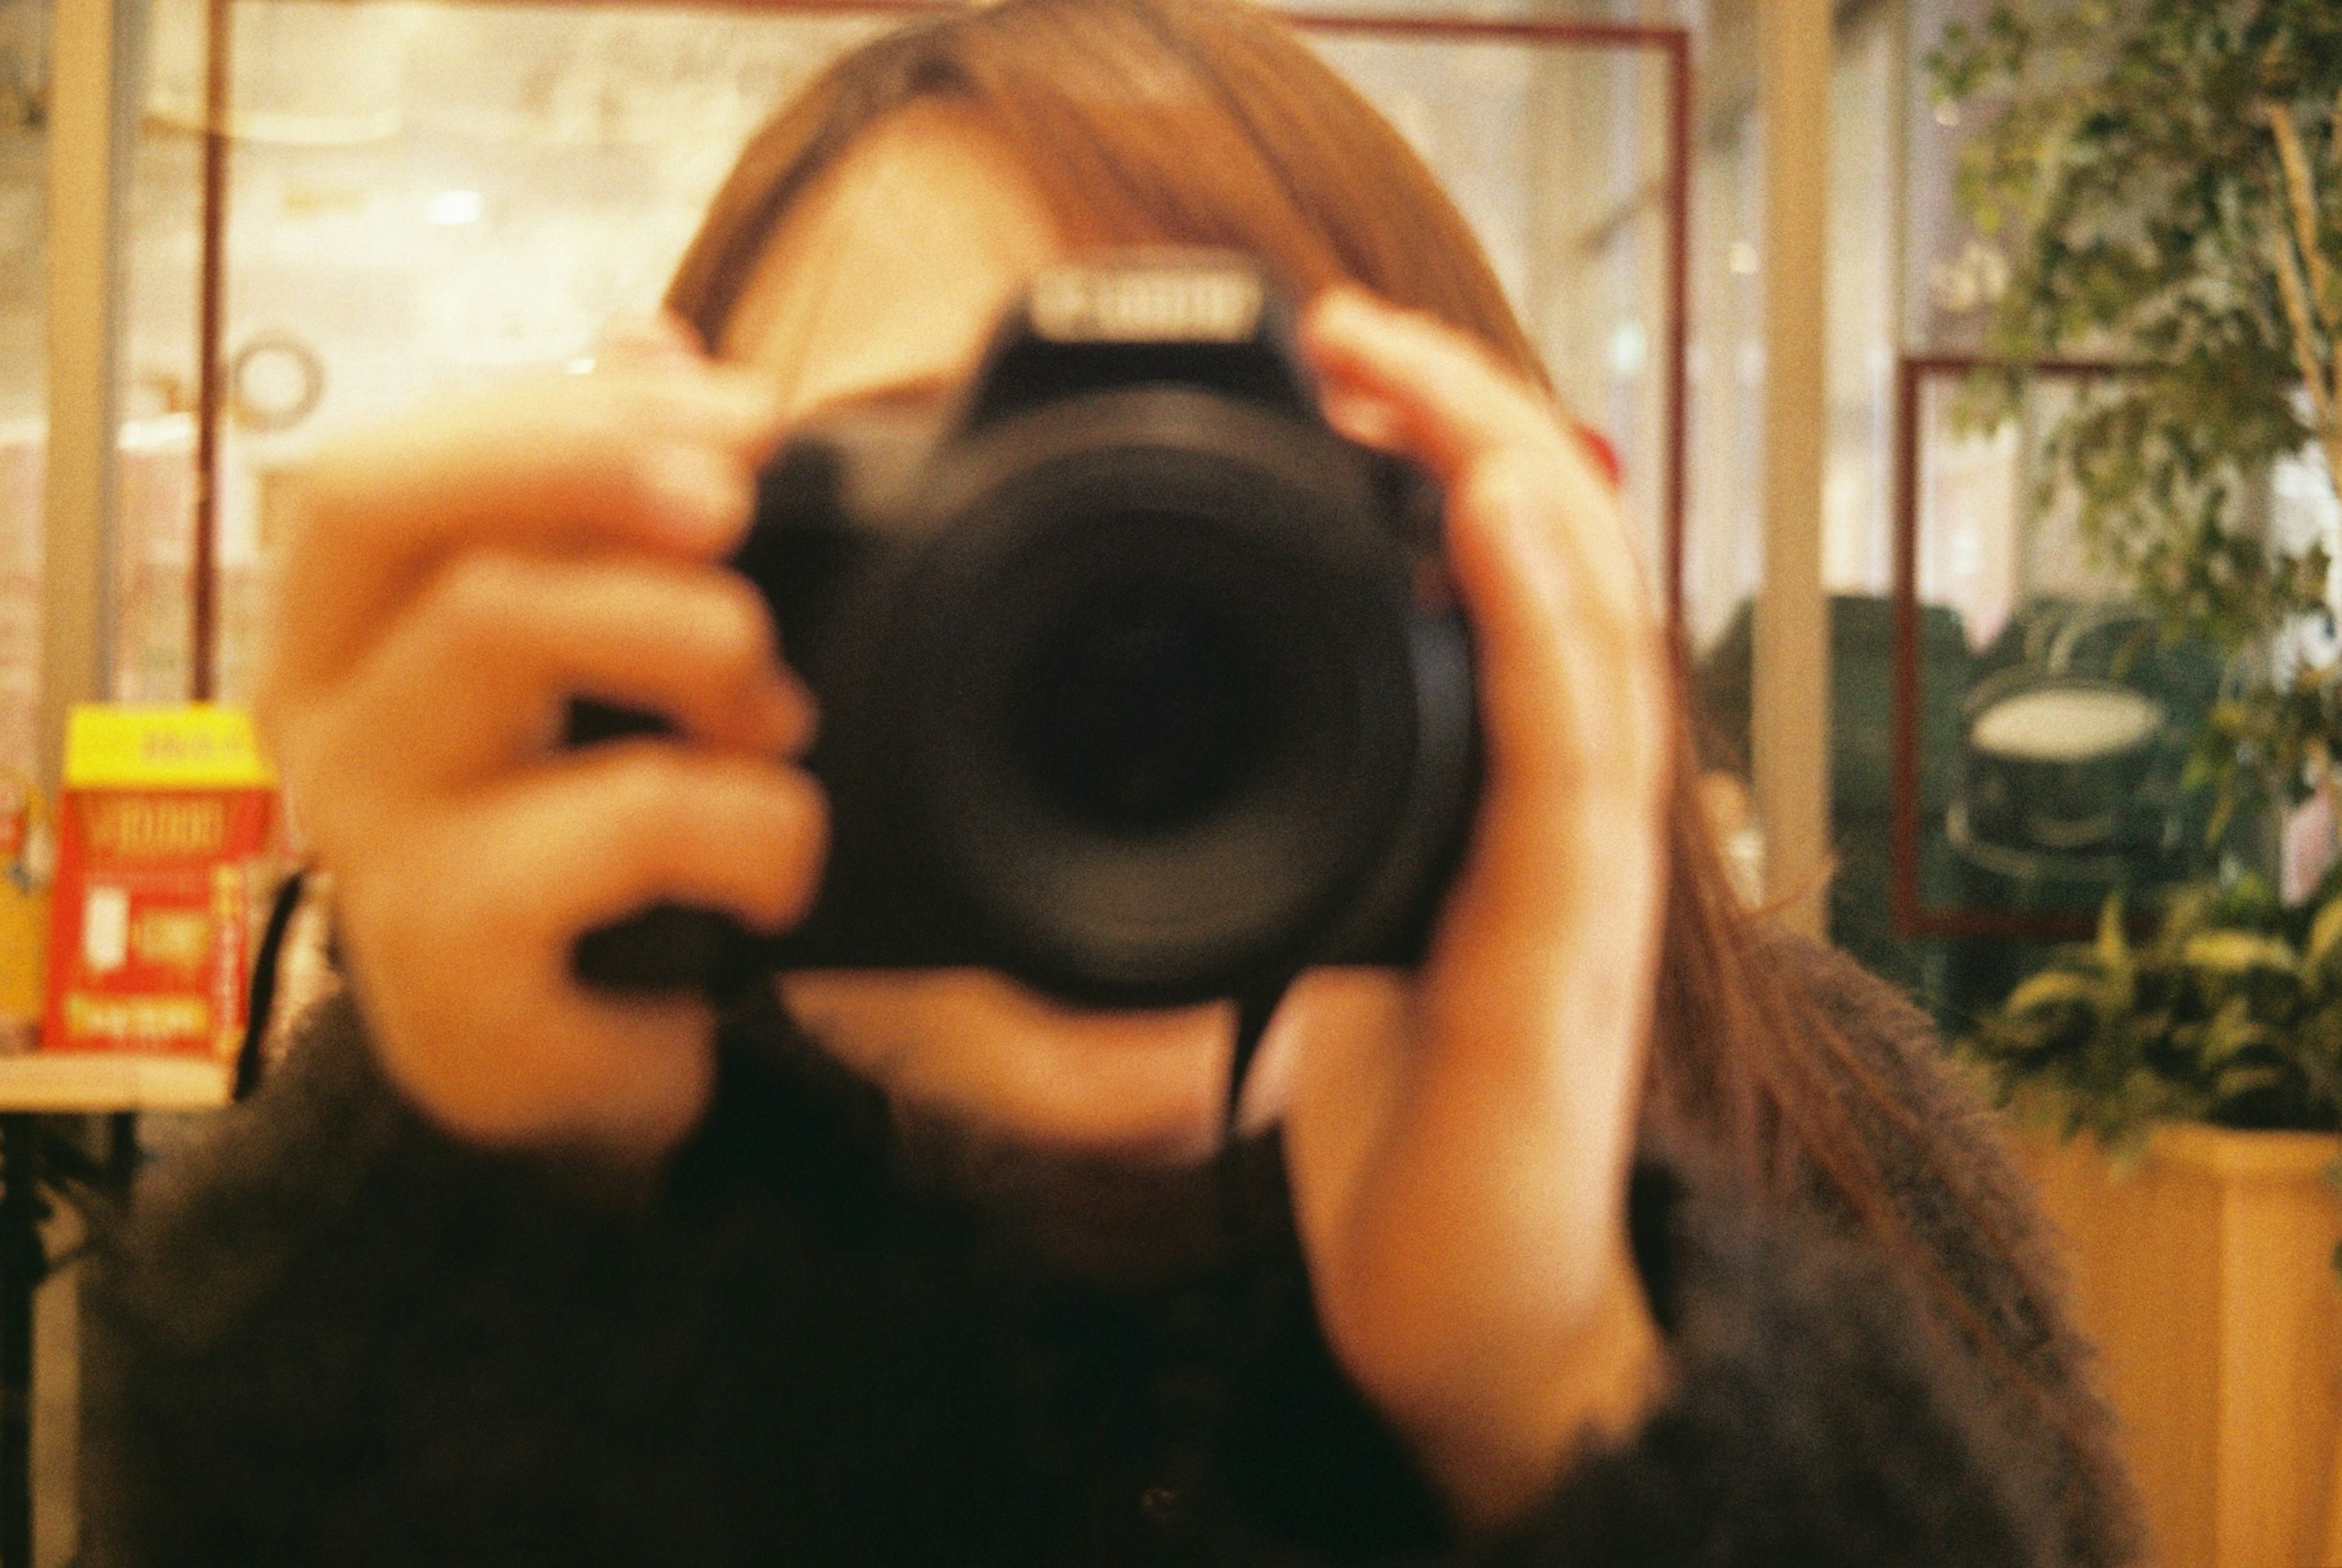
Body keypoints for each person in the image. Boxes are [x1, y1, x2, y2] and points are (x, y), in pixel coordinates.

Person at [82, 1, 2141, 1563]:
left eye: (1254, 507)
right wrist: (483, 1222)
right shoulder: (515, 1181)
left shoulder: (1826, 1141)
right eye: (952, 495)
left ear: (1507, 570)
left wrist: (1573, 1380)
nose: (1100, 633)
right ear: (699, 569)